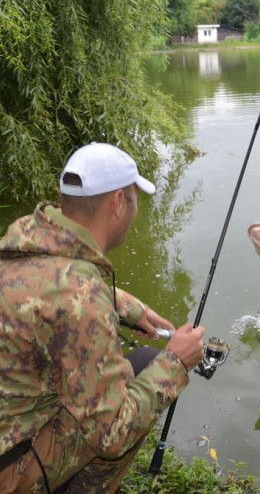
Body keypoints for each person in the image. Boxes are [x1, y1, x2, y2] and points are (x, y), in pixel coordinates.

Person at [0, 143, 206, 492]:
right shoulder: (83, 298)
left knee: (139, 362)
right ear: (118, 203)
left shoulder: (23, 238)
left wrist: (127, 307)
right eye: (135, 199)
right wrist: (176, 362)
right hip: (9, 471)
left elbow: (48, 284)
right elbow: (111, 433)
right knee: (135, 389)